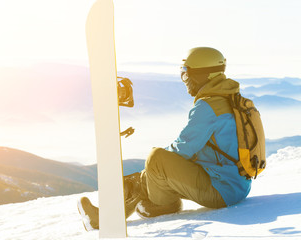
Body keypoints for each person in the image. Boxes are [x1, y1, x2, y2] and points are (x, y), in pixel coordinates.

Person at [78, 47, 254, 230]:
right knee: (156, 166)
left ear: (202, 74)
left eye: (186, 74)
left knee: (156, 158)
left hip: (223, 190)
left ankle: (112, 217)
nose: (184, 80)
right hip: (238, 185)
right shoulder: (234, 100)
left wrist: (151, 170)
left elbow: (183, 149)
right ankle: (161, 202)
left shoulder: (208, 107)